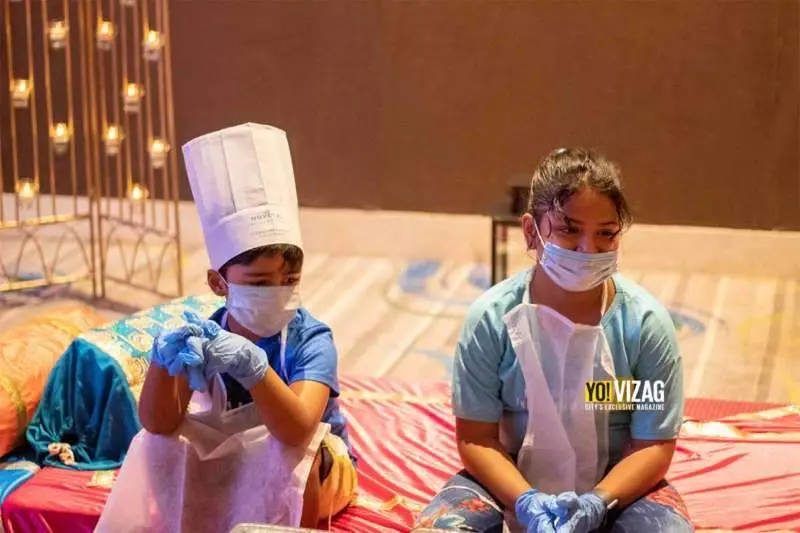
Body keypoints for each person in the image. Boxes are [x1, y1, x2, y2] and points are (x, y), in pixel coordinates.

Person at [415, 148, 694, 532]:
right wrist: (525, 501)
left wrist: (598, 502)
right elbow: (477, 438)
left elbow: (653, 445)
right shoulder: (491, 320)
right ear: (532, 231)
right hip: (507, 480)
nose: (588, 249)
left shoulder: (644, 325)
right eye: (569, 229)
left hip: (618, 489)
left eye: (606, 234)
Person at [137, 123, 357, 528]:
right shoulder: (207, 336)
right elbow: (158, 424)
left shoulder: (312, 340)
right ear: (218, 283)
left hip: (318, 470)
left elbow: (297, 432)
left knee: (296, 458)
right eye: (258, 283)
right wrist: (162, 365)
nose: (277, 292)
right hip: (241, 460)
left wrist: (254, 368)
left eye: (289, 280)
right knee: (163, 445)